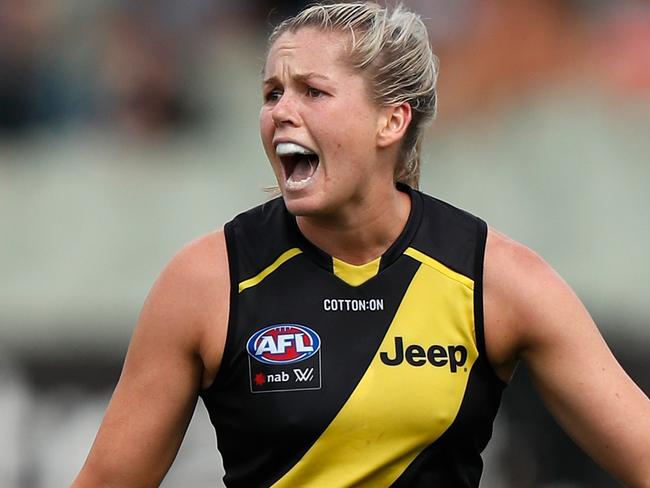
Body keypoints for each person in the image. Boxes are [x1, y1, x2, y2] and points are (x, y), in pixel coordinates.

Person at [72, 2, 650, 487]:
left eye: (312, 92)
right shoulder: (205, 282)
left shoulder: (497, 278)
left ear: (391, 121)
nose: (282, 113)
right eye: (272, 94)